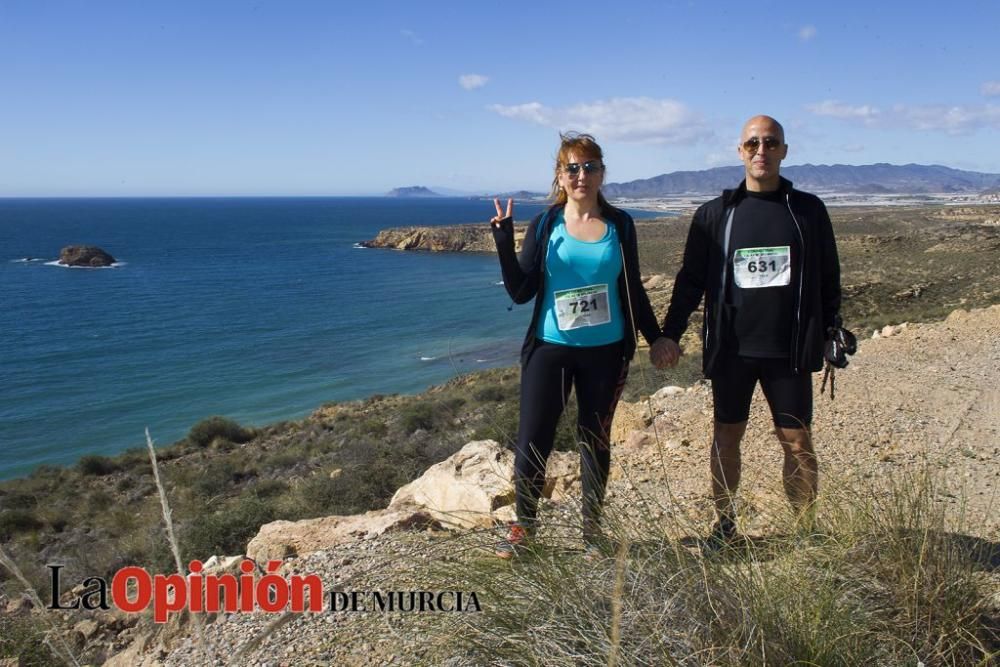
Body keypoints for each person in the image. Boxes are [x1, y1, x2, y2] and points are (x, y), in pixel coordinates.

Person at [656, 115, 843, 547]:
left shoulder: (807, 211)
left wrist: (832, 328)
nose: (762, 151)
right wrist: (670, 333)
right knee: (726, 437)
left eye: (771, 143)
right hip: (733, 350)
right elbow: (690, 282)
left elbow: (829, 276)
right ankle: (724, 526)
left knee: (797, 442)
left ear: (784, 151)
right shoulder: (715, 215)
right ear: (740, 151)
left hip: (789, 350)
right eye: (753, 143)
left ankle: (805, 532)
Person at [490, 132, 669, 558]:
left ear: (602, 173)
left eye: (589, 166)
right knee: (534, 438)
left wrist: (656, 334)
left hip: (606, 352)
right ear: (560, 176)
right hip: (550, 348)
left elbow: (632, 290)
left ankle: (592, 534)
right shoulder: (546, 224)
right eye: (572, 167)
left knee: (595, 439)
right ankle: (525, 531)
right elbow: (520, 292)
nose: (581, 175)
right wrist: (502, 242)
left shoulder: (620, 225)